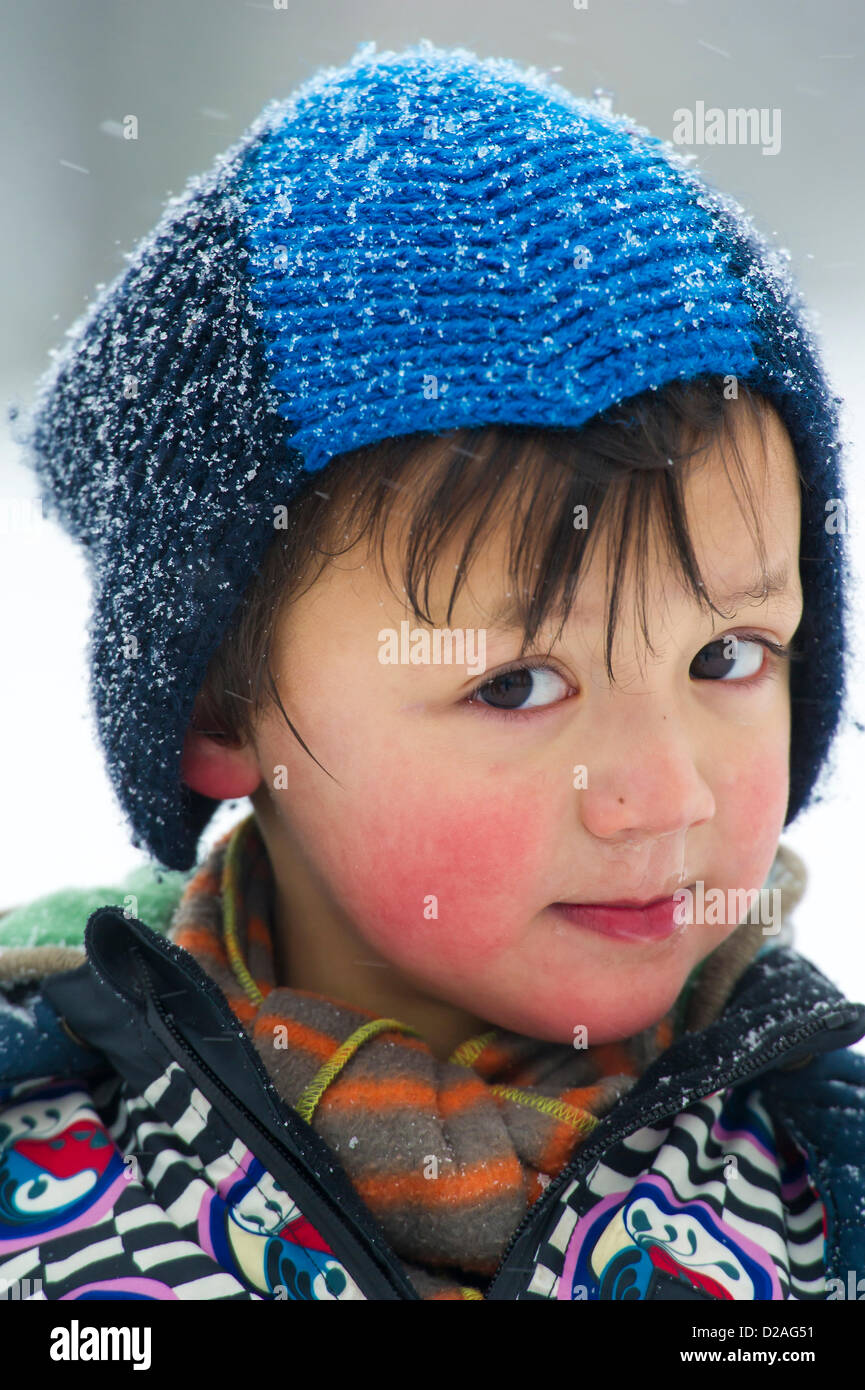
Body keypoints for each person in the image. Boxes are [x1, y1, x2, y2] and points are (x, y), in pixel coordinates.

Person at [2, 39, 864, 1303]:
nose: (663, 792)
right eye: (515, 685)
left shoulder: (824, 1175)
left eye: (727, 656)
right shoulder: (41, 1179)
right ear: (218, 702)